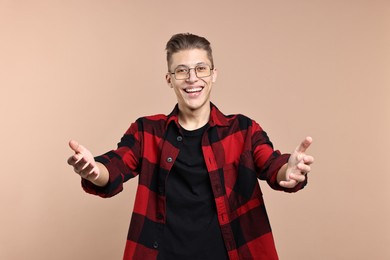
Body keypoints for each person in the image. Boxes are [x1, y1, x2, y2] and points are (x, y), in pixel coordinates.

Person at [67, 33, 314, 260]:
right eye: (182, 71)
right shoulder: (147, 131)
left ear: (213, 74)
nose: (192, 78)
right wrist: (95, 171)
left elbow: (272, 165)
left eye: (200, 68)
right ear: (169, 79)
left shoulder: (243, 130)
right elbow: (115, 166)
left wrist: (288, 171)